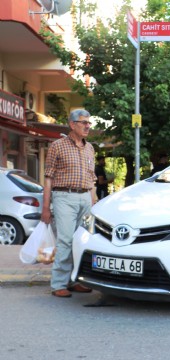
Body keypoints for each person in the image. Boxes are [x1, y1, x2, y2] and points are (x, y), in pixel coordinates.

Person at [42, 109, 96, 298]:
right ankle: (58, 284)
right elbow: (48, 178)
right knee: (65, 241)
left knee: (81, 241)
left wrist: (93, 201)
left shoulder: (90, 148)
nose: (87, 125)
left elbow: (92, 179)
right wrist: (45, 207)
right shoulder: (57, 146)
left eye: (89, 122)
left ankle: (75, 280)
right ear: (72, 124)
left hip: (85, 198)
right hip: (64, 197)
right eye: (83, 122)